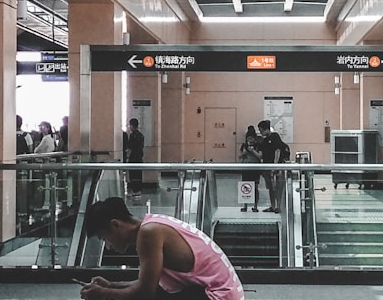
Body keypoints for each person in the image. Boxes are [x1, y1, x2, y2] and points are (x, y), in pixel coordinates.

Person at [79, 197, 244, 300]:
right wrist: (110, 285)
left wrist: (102, 294)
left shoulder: (149, 233)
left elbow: (145, 293)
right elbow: (149, 285)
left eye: (105, 238)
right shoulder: (153, 224)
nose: (108, 245)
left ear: (115, 225)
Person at [257, 120, 286, 214]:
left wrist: (275, 164)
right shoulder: (264, 140)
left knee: (277, 187)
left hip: (275, 167)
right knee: (270, 188)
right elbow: (262, 154)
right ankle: (273, 206)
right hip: (267, 167)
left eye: (261, 130)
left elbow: (277, 150)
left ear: (266, 129)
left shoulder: (274, 137)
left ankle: (279, 206)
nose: (260, 132)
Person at [238, 126, 262, 212]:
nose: (250, 140)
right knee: (245, 186)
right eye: (248, 138)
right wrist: (244, 153)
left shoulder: (258, 145)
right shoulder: (244, 145)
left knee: (255, 187)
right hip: (245, 167)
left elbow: (260, 156)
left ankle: (255, 206)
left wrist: (252, 151)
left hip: (255, 168)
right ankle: (245, 205)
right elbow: (240, 157)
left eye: (251, 138)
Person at [125, 118, 145, 197]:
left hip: (133, 158)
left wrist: (127, 156)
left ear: (132, 126)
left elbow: (129, 147)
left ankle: (135, 190)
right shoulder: (141, 135)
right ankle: (138, 190)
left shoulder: (132, 135)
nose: (129, 127)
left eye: (130, 125)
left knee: (133, 174)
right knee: (138, 174)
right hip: (139, 157)